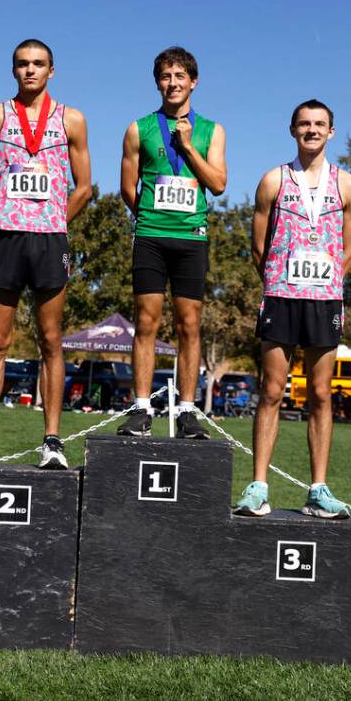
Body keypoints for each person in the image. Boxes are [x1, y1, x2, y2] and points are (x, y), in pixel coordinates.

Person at [0, 39, 92, 469]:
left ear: (52, 70)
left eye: (38, 64)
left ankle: (52, 441)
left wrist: (54, 219)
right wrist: (6, 216)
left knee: (51, 339)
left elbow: (84, 186)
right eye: (22, 64)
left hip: (50, 239)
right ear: (13, 70)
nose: (30, 71)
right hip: (5, 237)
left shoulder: (72, 118)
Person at [233, 99, 351, 519]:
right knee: (272, 390)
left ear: (331, 131)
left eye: (319, 124)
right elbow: (258, 245)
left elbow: (350, 248)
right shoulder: (273, 180)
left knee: (321, 394)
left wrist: (325, 282)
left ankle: (319, 489)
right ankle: (258, 486)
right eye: (304, 124)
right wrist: (277, 280)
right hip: (281, 296)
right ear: (292, 130)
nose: (312, 130)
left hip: (325, 300)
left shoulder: (348, 185)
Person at [117, 46, 227, 439]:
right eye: (166, 76)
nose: (173, 83)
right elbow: (128, 187)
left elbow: (217, 184)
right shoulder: (139, 128)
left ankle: (187, 410)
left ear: (193, 82)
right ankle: (141, 407)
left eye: (180, 76)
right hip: (150, 236)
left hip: (192, 239)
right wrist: (150, 216)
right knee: (145, 322)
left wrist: (188, 148)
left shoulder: (212, 130)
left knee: (190, 325)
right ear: (157, 82)